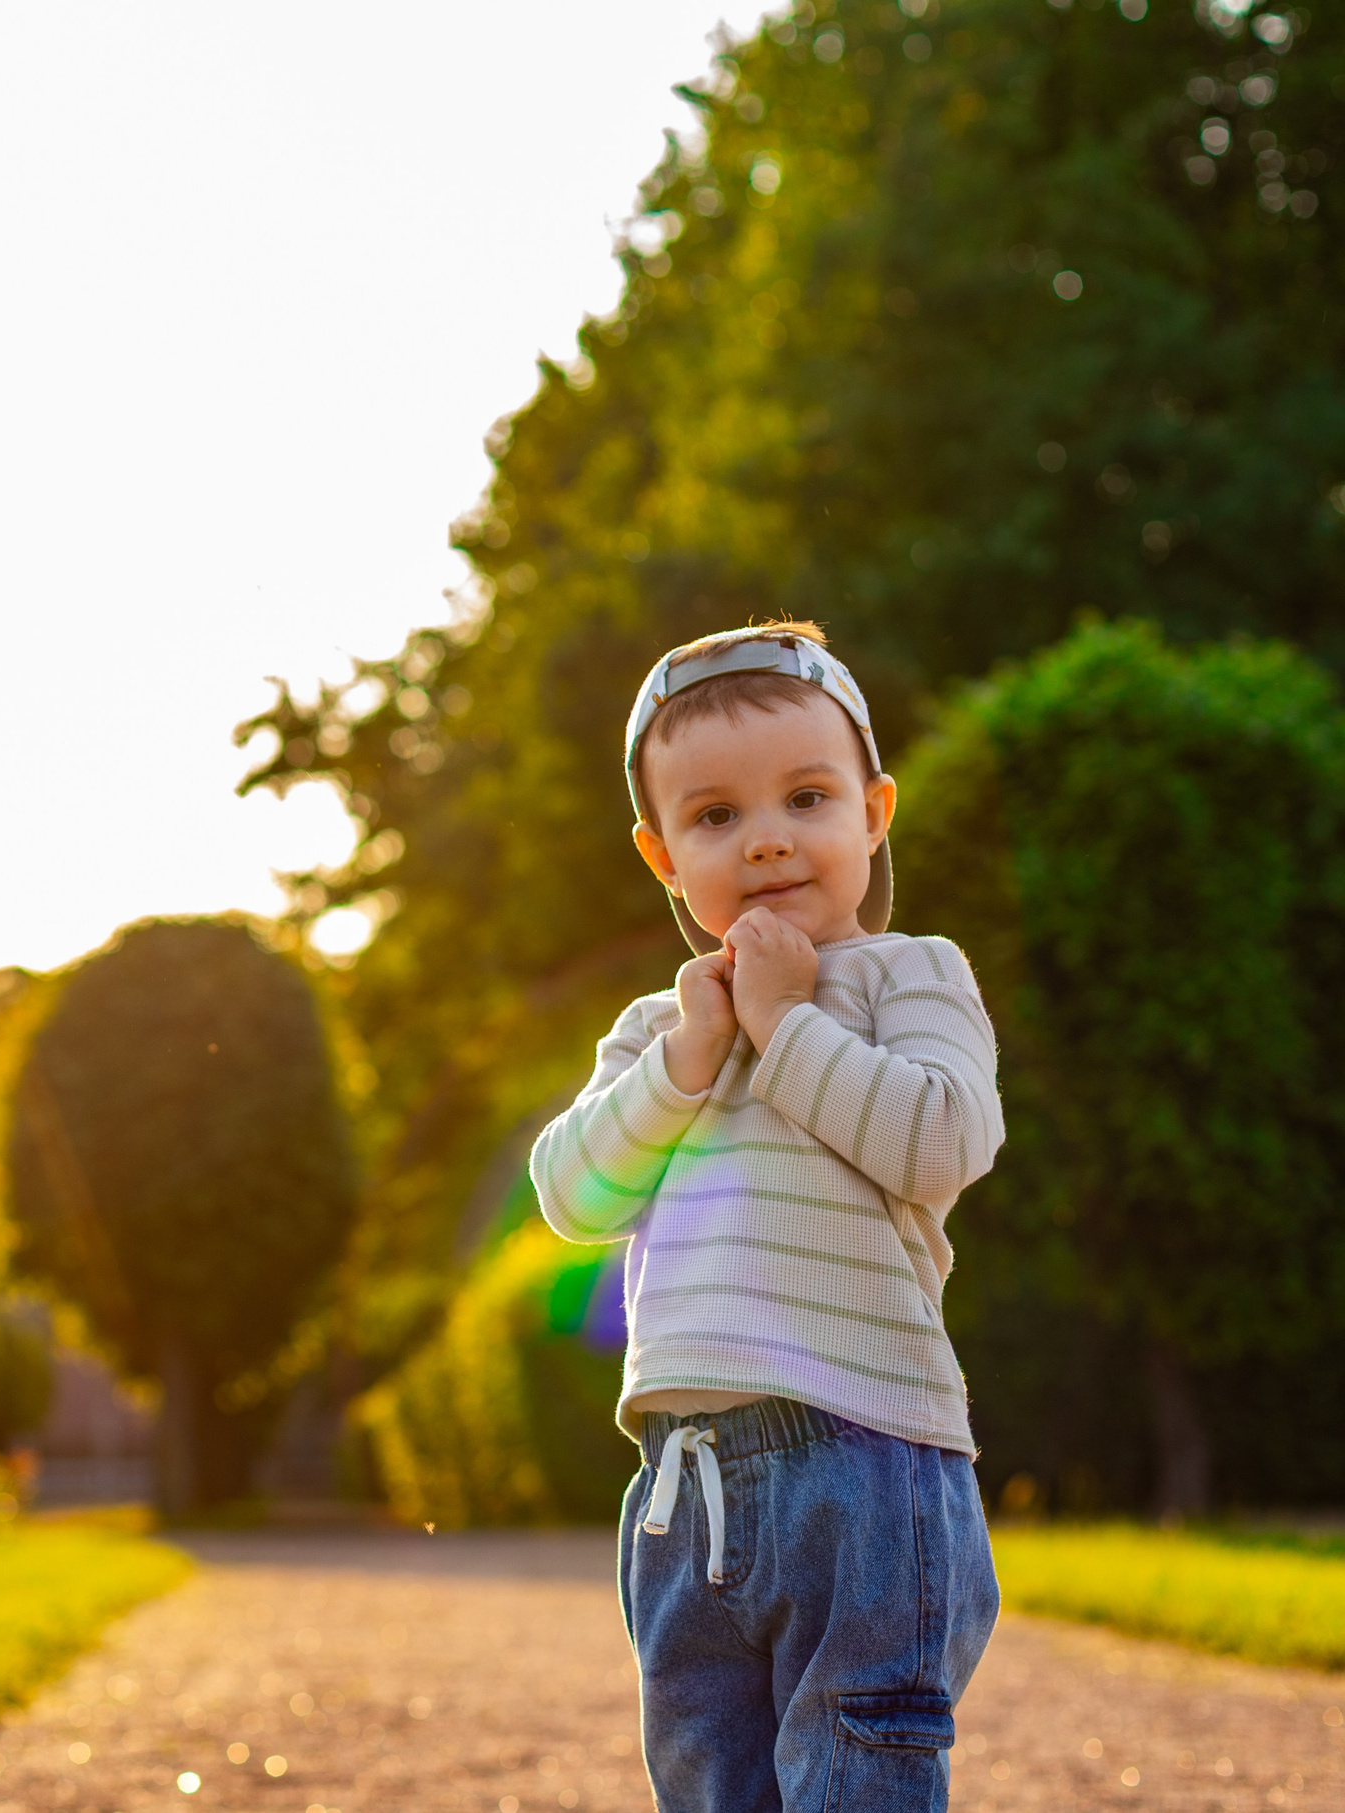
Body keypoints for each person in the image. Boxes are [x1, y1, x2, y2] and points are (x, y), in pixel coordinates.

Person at [529, 622, 1003, 1811]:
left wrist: (789, 1027)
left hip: (866, 1461)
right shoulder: (660, 1028)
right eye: (716, 817)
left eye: (805, 796)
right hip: (684, 1493)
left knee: (858, 1771)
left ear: (873, 810)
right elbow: (573, 1196)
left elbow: (944, 1140)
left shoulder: (911, 976)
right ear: (661, 855)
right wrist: (690, 1055)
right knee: (705, 1782)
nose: (769, 837)